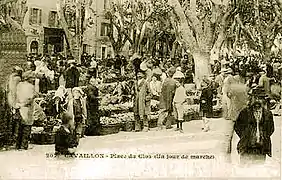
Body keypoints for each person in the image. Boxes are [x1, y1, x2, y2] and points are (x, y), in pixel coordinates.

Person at [234, 86, 274, 165]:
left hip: (261, 148)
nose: (257, 101)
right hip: (247, 148)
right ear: (251, 98)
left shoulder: (268, 114)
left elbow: (271, 129)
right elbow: (237, 127)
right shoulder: (245, 112)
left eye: (260, 98)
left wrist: (263, 136)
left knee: (259, 171)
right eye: (255, 98)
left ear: (264, 100)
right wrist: (245, 135)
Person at [15, 72, 36, 150]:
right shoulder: (31, 87)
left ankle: (18, 145)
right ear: (28, 78)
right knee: (27, 127)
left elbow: (16, 95)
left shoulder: (19, 85)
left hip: (20, 107)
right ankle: (24, 145)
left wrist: (18, 104)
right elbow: (30, 98)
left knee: (20, 127)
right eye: (32, 78)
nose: (33, 79)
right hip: (27, 108)